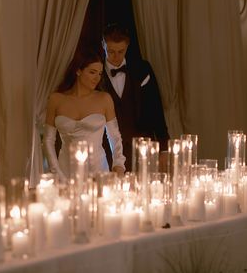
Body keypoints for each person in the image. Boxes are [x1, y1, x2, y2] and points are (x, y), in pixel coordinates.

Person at [43, 48, 126, 182]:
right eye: (92, 72)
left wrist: (118, 164)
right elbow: (48, 140)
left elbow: (115, 137)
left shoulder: (104, 99)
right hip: (65, 171)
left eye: (99, 73)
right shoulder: (56, 99)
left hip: (98, 170)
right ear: (78, 70)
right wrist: (57, 172)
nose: (97, 78)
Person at [101, 23, 169, 170]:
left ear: (127, 46)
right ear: (103, 46)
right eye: (111, 51)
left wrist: (163, 146)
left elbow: (155, 108)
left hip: (141, 148)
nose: (116, 57)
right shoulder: (95, 74)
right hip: (107, 151)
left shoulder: (142, 69)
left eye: (121, 51)